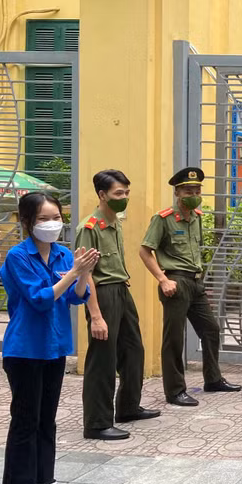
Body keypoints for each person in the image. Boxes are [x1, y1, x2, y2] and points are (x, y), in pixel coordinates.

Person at [0, 193, 98, 484]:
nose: (52, 223)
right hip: (25, 349)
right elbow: (40, 299)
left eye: (56, 217)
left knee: (46, 418)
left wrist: (84, 274)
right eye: (43, 218)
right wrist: (73, 273)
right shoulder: (18, 256)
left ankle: (43, 480)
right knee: (25, 419)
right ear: (28, 222)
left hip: (54, 347)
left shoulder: (63, 254)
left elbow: (75, 298)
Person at [139, 167, 241, 406]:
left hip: (195, 282)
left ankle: (213, 379)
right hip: (175, 281)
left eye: (197, 190)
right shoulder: (163, 219)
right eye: (188, 191)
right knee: (174, 338)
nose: (193, 194)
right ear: (177, 192)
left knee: (211, 329)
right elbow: (144, 251)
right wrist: (163, 280)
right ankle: (175, 391)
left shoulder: (196, 217)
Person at [78, 170, 159, 442]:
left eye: (126, 193)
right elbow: (85, 274)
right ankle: (97, 423)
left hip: (122, 290)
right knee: (103, 359)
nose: (124, 198)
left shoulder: (114, 222)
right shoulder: (89, 228)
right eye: (118, 193)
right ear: (102, 195)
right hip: (102, 294)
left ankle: (128, 407)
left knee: (133, 350)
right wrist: (96, 315)